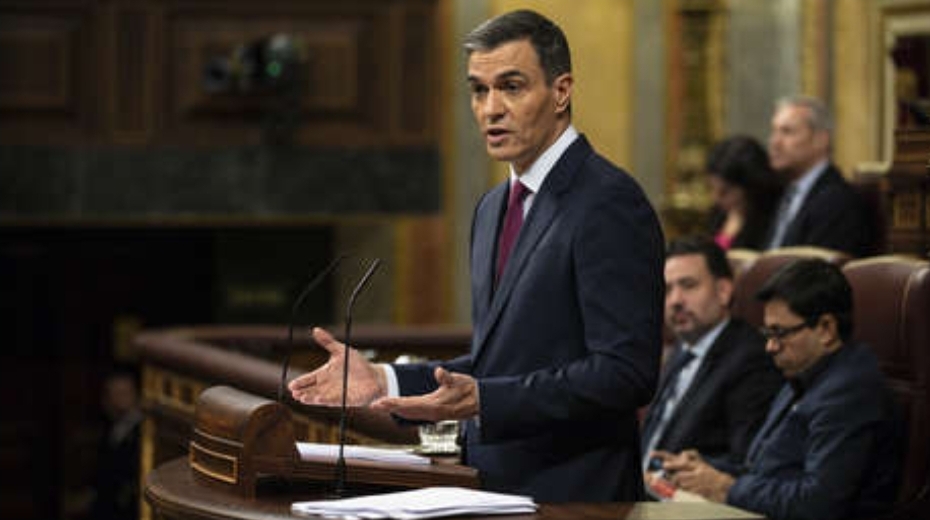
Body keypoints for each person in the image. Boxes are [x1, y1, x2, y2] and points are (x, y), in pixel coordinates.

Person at [289, 9, 665, 502]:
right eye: (479, 90)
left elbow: (625, 373)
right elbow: (502, 362)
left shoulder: (607, 202)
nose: (491, 109)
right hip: (489, 490)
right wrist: (385, 379)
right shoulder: (491, 208)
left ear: (561, 91)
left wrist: (485, 400)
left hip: (575, 498)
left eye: (511, 87)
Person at [651, 259, 902, 520]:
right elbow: (763, 471)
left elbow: (818, 503)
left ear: (826, 329)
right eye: (768, 333)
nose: (770, 346)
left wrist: (727, 487)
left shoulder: (851, 393)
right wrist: (704, 470)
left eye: (780, 333)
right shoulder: (803, 374)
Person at [642, 236, 781, 474]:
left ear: (723, 291)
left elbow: (744, 460)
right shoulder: (682, 350)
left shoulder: (751, 359)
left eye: (688, 285)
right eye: (667, 290)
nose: (675, 301)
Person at [764, 96, 876, 257]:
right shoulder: (783, 193)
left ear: (820, 140)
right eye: (774, 132)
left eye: (787, 132)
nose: (774, 142)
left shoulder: (838, 201)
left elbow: (817, 267)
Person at [705, 136, 783, 250]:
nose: (715, 198)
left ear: (750, 188)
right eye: (710, 188)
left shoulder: (777, 215)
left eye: (725, 191)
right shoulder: (719, 214)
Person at [90, 369, 143, 520]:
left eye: (123, 394)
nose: (116, 400)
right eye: (112, 394)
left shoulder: (142, 432)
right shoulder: (111, 426)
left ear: (136, 395)